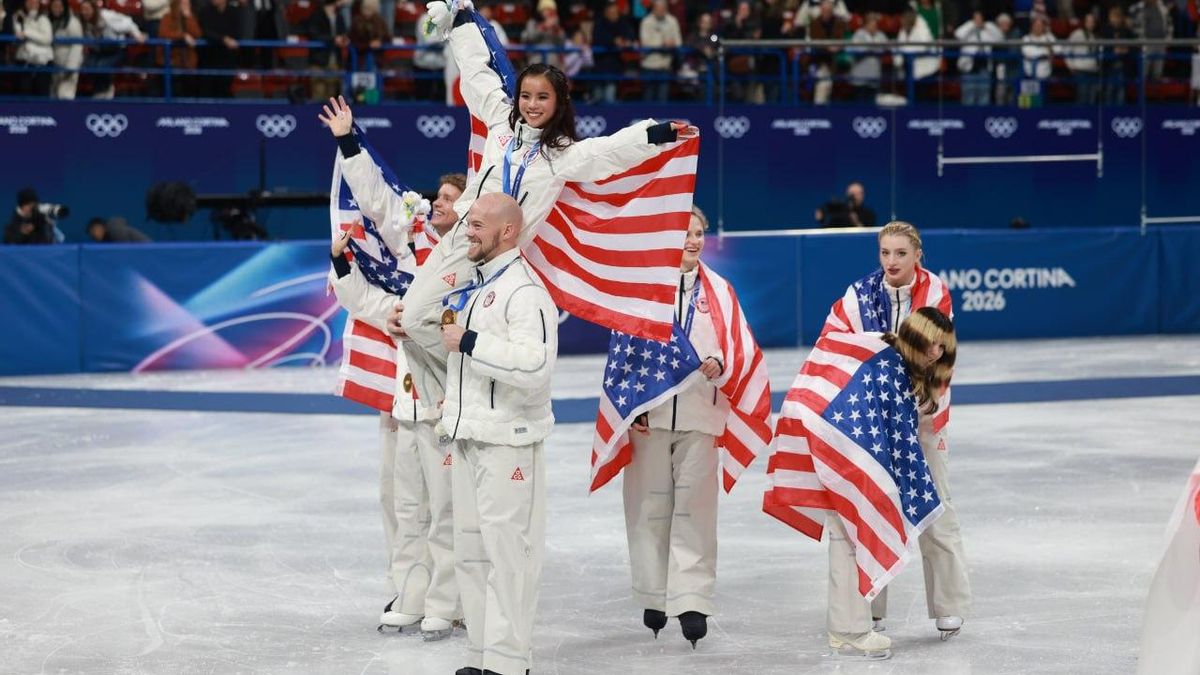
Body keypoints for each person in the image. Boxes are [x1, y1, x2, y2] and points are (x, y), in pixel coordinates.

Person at [394, 1, 697, 473]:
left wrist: (656, 134)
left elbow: (610, 152)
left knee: (499, 345)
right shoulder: (498, 124)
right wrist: (459, 20)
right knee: (414, 316)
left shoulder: (562, 156)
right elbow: (477, 72)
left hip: (507, 264)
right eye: (527, 96)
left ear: (558, 106)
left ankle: (476, 406)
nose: (532, 105)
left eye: (543, 99)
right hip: (463, 245)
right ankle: (448, 390)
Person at [320, 96, 467, 639]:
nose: (437, 204)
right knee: (403, 500)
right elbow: (379, 199)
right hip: (403, 394)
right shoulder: (412, 241)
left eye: (449, 199)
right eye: (437, 197)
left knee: (447, 506)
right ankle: (410, 590)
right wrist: (348, 141)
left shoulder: (471, 261)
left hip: (452, 398)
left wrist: (420, 322)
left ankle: (448, 600)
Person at [818, 222, 970, 638]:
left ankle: (948, 604)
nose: (891, 262)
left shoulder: (934, 293)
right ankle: (870, 605)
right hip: (874, 421)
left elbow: (940, 356)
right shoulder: (858, 295)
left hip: (923, 420)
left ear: (917, 254)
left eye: (900, 253)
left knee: (936, 506)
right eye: (885, 253)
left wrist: (926, 402)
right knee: (871, 506)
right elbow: (832, 342)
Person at [436, 192, 559, 675]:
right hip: (469, 436)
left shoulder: (526, 291)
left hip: (509, 441)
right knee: (471, 550)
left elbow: (535, 365)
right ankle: (482, 654)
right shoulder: (475, 285)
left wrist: (469, 341)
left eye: (478, 224)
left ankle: (509, 662)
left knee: (508, 556)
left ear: (508, 231)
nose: (468, 230)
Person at [618, 206, 742, 648]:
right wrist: (631, 405)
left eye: (698, 233)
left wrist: (721, 365)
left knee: (696, 510)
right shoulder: (643, 290)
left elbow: (738, 346)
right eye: (685, 233)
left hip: (700, 416)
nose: (692, 241)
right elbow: (624, 352)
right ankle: (654, 594)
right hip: (650, 416)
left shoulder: (721, 292)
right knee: (648, 509)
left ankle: (691, 599)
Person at [77, 0, 145, 98]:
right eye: (82, 10)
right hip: (99, 51)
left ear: (94, 9)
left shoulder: (107, 17)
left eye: (87, 9)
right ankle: (100, 91)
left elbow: (128, 23)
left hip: (117, 50)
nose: (84, 12)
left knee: (102, 67)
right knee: (89, 65)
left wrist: (137, 34)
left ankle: (106, 90)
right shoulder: (84, 23)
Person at [954, 11, 1002, 105]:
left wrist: (987, 26)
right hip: (969, 69)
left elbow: (1000, 38)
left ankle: (982, 118)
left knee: (984, 99)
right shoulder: (968, 30)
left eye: (980, 18)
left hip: (984, 69)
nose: (978, 21)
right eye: (976, 18)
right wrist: (972, 24)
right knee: (968, 99)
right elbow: (958, 34)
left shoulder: (987, 30)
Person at [639, 0, 682, 102]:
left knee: (663, 101)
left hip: (664, 66)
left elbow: (678, 42)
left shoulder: (672, 21)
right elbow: (645, 44)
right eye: (659, 9)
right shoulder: (646, 22)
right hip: (648, 66)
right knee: (648, 100)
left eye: (664, 9)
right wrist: (662, 43)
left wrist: (672, 44)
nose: (662, 11)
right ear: (654, 8)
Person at [158, 0, 203, 98]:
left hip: (188, 62)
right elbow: (164, 34)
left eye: (188, 4)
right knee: (174, 89)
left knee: (190, 90)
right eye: (183, 4)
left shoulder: (190, 17)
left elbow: (197, 34)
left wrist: (189, 17)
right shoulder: (167, 17)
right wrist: (182, 36)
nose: (186, 6)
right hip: (172, 60)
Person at [11, 0, 53, 96]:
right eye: (29, 2)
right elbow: (18, 34)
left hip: (43, 61)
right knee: (23, 94)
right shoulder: (18, 16)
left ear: (39, 4)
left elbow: (47, 39)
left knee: (41, 94)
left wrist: (27, 33)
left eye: (35, 2)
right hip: (24, 60)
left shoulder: (44, 18)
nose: (32, 4)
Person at [848, 12, 888, 102]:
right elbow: (857, 50)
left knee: (872, 107)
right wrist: (871, 48)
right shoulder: (858, 34)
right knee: (860, 106)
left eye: (875, 25)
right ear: (866, 25)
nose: (874, 27)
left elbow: (883, 49)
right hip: (860, 78)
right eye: (872, 24)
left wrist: (870, 48)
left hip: (874, 77)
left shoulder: (880, 35)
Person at [47, 0, 83, 99]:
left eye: (59, 6)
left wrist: (70, 67)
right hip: (54, 65)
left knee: (65, 95)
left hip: (67, 65)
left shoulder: (72, 22)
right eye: (54, 6)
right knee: (53, 95)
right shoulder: (49, 20)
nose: (57, 9)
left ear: (64, 7)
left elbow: (77, 46)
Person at [1066, 12, 1100, 104]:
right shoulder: (1077, 34)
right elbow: (1067, 50)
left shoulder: (1095, 36)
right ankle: (1081, 117)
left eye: (1092, 21)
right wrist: (1070, 65)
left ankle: (1091, 118)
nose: (1091, 23)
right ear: (1084, 22)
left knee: (1092, 98)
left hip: (1093, 70)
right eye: (1088, 21)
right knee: (1082, 97)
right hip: (1081, 70)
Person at [85, 216, 151, 242]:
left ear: (100, 227)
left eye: (94, 231)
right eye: (92, 235)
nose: (94, 235)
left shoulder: (115, 230)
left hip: (149, 254)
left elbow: (125, 253)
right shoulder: (107, 238)